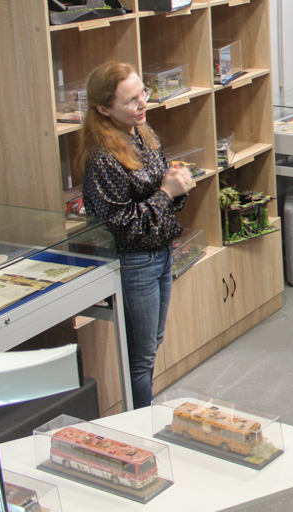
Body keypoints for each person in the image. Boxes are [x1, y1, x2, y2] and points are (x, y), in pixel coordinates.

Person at [79, 62, 195, 409]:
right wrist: (167, 192)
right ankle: (141, 424)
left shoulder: (142, 133)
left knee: (153, 342)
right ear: (104, 109)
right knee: (141, 358)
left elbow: (161, 194)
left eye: (142, 92)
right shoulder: (103, 158)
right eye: (131, 100)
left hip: (161, 253)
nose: (143, 103)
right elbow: (125, 225)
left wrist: (177, 184)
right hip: (135, 262)